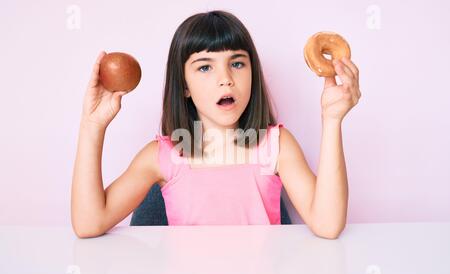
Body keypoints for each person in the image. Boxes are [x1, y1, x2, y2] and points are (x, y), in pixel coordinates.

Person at [71, 10, 361, 239]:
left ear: (252, 73)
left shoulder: (277, 147)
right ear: (184, 85)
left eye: (237, 63)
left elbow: (328, 225)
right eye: (205, 67)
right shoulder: (160, 157)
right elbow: (89, 223)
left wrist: (332, 120)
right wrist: (92, 125)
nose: (226, 78)